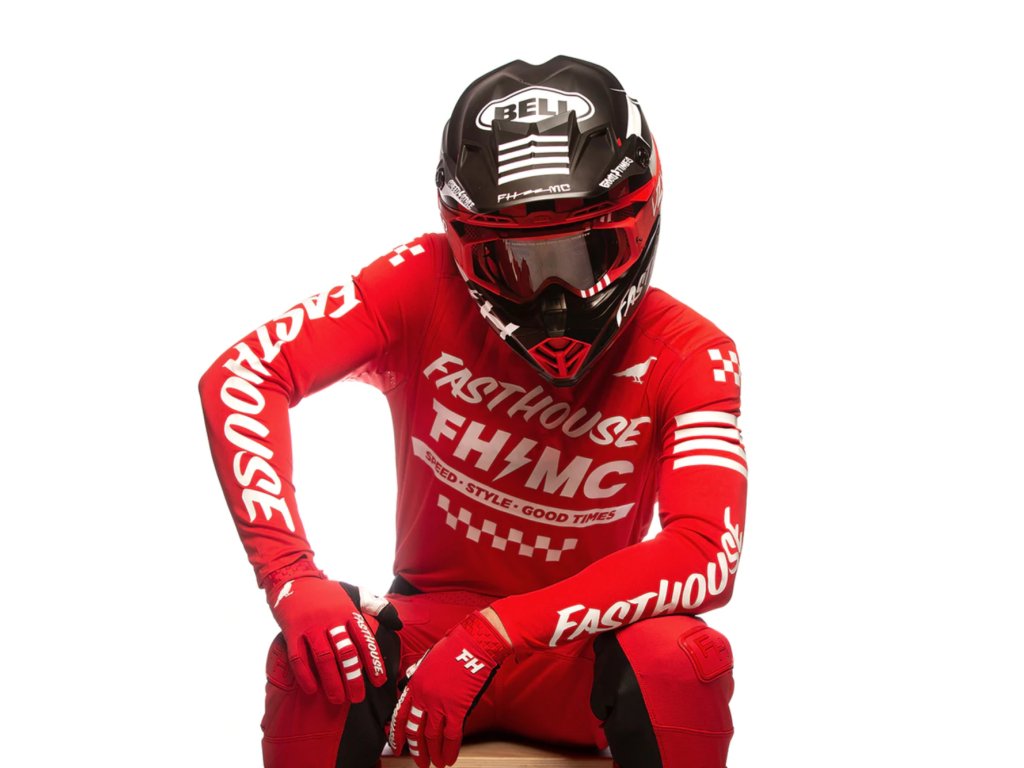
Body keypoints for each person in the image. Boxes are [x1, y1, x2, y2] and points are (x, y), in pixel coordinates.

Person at [199, 55, 746, 768]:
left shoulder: (693, 351)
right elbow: (243, 374)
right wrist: (292, 579)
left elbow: (706, 554)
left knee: (681, 659)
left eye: (586, 252)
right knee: (315, 660)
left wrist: (493, 634)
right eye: (511, 263)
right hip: (430, 633)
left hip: (572, 650)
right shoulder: (417, 280)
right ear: (461, 240)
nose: (553, 297)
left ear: (640, 221)